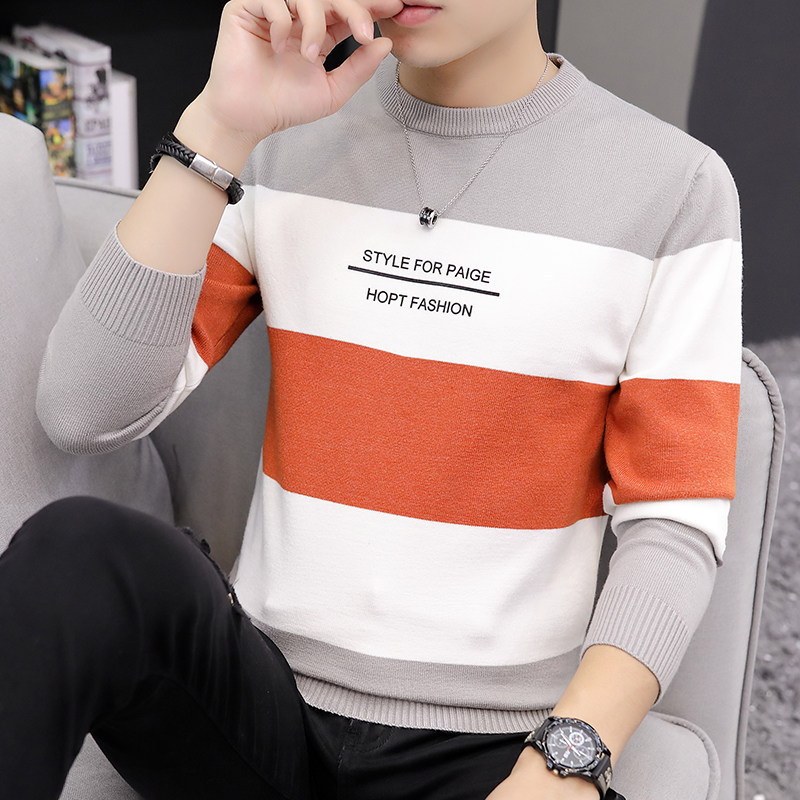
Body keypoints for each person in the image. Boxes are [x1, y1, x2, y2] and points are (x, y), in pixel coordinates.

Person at [0, 0, 742, 798]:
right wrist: (219, 123)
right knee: (79, 548)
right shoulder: (281, 138)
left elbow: (672, 524)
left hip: (489, 750)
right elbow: (83, 410)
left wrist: (568, 760)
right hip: (260, 712)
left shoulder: (673, 185)